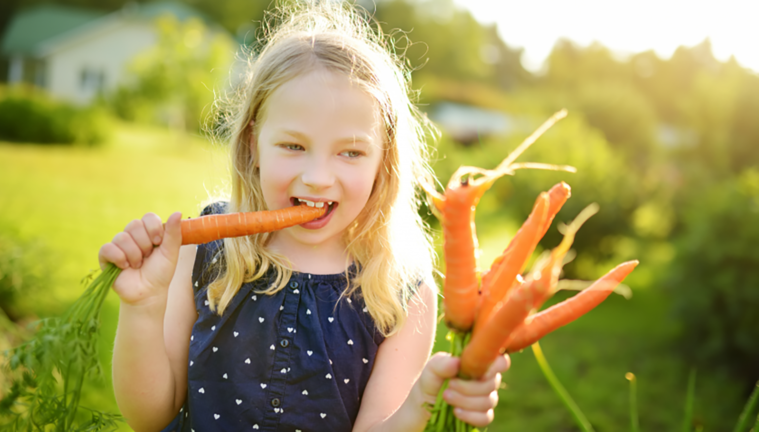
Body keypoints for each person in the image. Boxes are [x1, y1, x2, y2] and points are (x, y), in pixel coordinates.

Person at [98, 2, 510, 431]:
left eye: (350, 152)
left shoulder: (400, 293)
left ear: (383, 162)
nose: (316, 178)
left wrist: (422, 400)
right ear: (254, 143)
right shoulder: (206, 249)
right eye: (293, 146)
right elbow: (149, 416)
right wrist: (143, 308)